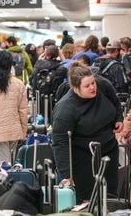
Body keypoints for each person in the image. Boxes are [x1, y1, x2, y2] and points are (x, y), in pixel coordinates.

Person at [51, 63, 124, 203]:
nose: (92, 87)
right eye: (87, 86)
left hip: (108, 149)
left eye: (93, 83)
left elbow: (115, 102)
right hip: (82, 157)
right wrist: (67, 175)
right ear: (76, 88)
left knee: (110, 195)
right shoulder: (65, 108)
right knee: (86, 199)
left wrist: (118, 119)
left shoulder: (103, 85)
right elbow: (60, 143)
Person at [0, 51, 29, 164]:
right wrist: (23, 132)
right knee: (12, 167)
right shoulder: (19, 84)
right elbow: (23, 111)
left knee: (3, 171)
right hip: (14, 132)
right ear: (10, 65)